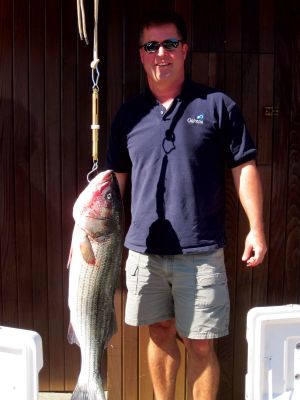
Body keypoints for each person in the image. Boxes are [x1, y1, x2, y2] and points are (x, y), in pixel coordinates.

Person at [106, 9, 267, 400]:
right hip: (144, 251)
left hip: (202, 250)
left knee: (200, 342)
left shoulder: (216, 105)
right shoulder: (129, 115)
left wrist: (256, 228)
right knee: (159, 332)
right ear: (141, 55)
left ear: (184, 50)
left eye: (170, 43)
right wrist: (93, 242)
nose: (161, 52)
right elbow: (114, 185)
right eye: (152, 46)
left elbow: (243, 167)